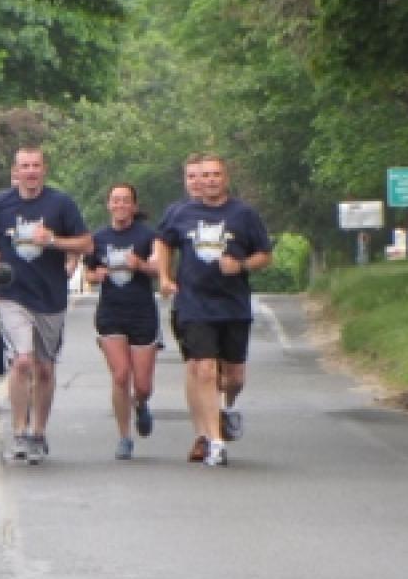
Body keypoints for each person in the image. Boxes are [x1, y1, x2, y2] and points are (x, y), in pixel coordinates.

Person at [0, 147, 92, 464]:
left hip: (50, 296)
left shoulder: (60, 204)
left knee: (44, 367)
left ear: (44, 169)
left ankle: (39, 431)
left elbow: (86, 243)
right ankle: (19, 432)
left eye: (35, 166)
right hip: (13, 293)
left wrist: (54, 241)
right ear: (16, 170)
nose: (30, 171)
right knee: (22, 362)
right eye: (24, 166)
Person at [156, 154, 273, 467]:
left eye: (215, 175)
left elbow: (264, 254)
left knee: (233, 377)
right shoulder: (181, 213)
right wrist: (165, 277)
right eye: (204, 175)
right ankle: (214, 441)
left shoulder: (244, 214)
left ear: (226, 177)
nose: (208, 180)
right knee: (204, 369)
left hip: (233, 305)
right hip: (194, 304)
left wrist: (243, 265)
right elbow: (163, 242)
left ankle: (226, 408)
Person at [85, 183, 162, 461]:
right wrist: (97, 276)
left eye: (125, 201)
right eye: (115, 200)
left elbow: (158, 268)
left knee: (142, 385)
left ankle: (141, 404)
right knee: (120, 375)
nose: (120, 205)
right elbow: (88, 274)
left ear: (134, 206)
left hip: (142, 313)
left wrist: (139, 265)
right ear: (108, 205)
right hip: (111, 313)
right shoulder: (99, 237)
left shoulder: (148, 235)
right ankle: (124, 437)